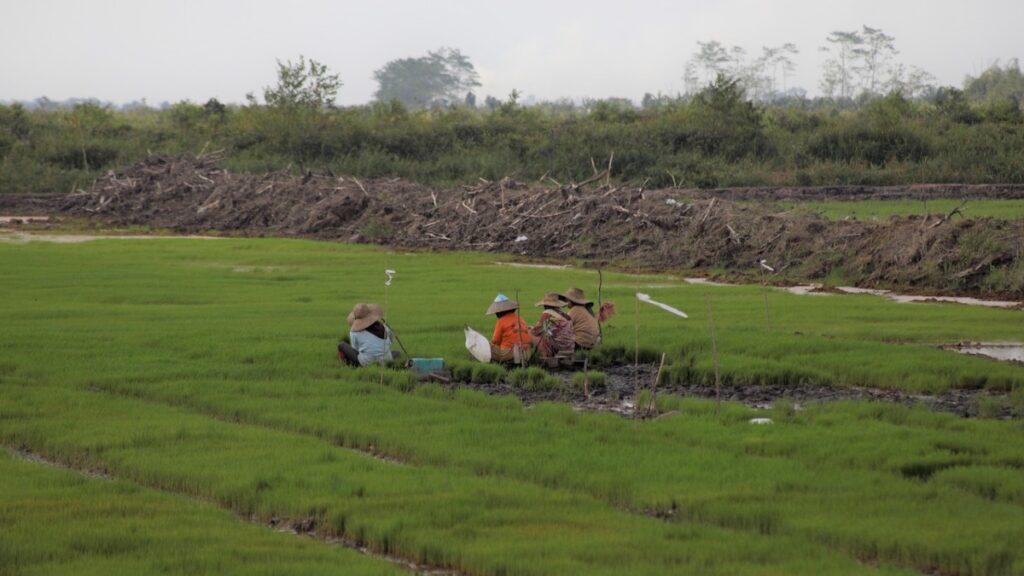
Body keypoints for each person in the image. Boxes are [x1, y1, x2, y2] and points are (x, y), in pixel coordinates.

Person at [486, 293, 533, 364]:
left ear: (500, 312)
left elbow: (496, 341)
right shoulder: (521, 319)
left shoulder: (501, 321)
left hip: (510, 353)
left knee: (488, 346)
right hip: (527, 354)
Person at [530, 292, 575, 360]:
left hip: (560, 345)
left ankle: (543, 357)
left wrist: (530, 329)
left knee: (531, 335)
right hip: (570, 345)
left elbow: (535, 331)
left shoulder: (548, 312)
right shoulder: (563, 314)